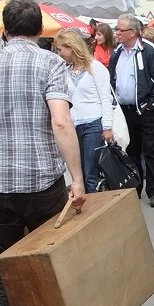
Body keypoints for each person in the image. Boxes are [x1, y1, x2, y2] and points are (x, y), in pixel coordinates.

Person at [0, 0, 86, 306]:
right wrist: (78, 179)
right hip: (42, 183)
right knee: (47, 267)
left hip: (0, 184)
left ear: (6, 28)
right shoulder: (50, 63)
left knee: (8, 273)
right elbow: (61, 123)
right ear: (40, 30)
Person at [108, 13, 154, 206]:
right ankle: (134, 188)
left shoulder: (149, 50)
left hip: (145, 111)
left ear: (132, 32)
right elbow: (112, 79)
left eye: (120, 29)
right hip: (124, 112)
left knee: (150, 150)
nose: (117, 33)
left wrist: (151, 105)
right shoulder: (117, 52)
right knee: (129, 150)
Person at [54, 29, 116, 193]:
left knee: (90, 174)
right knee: (78, 173)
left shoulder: (95, 67)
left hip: (93, 124)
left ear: (71, 47)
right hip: (73, 126)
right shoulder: (64, 71)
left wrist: (107, 126)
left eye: (61, 49)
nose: (59, 53)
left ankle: (93, 212)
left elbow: (106, 97)